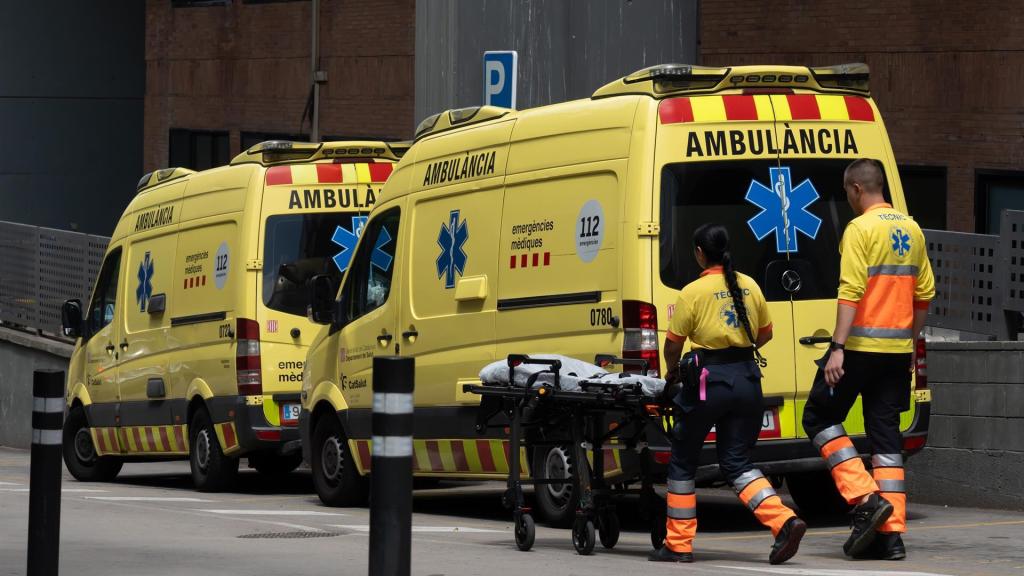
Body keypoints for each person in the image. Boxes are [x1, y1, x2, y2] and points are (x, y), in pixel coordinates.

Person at [650, 223, 806, 564]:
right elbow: (764, 334)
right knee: (736, 462)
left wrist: (672, 372)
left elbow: (673, 345)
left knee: (683, 460)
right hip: (748, 381)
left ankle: (678, 544)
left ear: (700, 254)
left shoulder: (692, 291)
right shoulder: (749, 285)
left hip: (708, 384)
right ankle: (783, 520)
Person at [802, 159, 934, 560]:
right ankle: (891, 537)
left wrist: (837, 347)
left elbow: (851, 292)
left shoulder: (859, 229)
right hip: (896, 355)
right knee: (886, 440)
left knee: (818, 416)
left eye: (847, 193)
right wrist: (909, 344)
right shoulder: (912, 228)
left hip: (859, 350)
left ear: (857, 189)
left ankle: (864, 499)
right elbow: (924, 295)